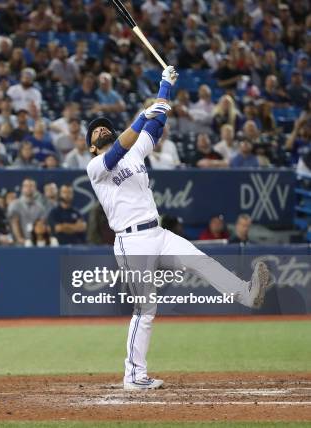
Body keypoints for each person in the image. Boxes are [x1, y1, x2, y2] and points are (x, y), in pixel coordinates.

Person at [84, 65, 270, 390]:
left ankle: (247, 293)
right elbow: (120, 146)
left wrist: (165, 86)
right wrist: (142, 115)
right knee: (145, 309)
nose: (101, 130)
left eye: (104, 127)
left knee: (201, 260)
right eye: (96, 131)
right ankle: (133, 376)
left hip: (157, 234)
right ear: (90, 145)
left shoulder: (134, 153)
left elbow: (156, 124)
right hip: (131, 242)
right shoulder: (96, 165)